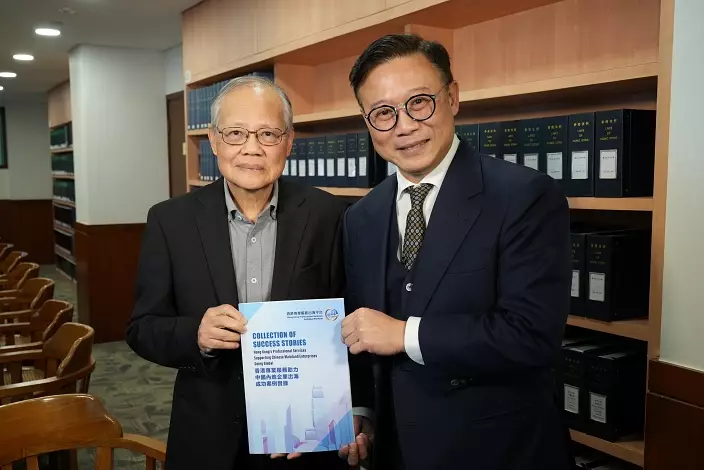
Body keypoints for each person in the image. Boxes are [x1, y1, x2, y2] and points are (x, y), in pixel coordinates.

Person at [339, 34, 574, 470]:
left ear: (452, 98)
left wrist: (404, 334)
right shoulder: (360, 217)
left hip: (498, 452)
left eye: (419, 102)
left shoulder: (523, 196)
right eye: (384, 113)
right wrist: (363, 411)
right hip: (396, 453)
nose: (404, 126)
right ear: (367, 123)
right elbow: (361, 331)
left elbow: (531, 336)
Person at [125, 76, 356, 470]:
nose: (252, 148)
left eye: (268, 134)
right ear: (214, 141)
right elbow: (142, 328)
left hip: (304, 434)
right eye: (235, 133)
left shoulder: (330, 215)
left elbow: (352, 321)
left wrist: (357, 408)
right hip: (208, 433)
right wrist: (196, 334)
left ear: (289, 141)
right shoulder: (170, 221)